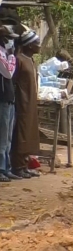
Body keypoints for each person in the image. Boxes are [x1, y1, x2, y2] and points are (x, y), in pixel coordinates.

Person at [11, 29, 41, 178]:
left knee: (28, 132)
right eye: (37, 43)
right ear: (29, 46)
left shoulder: (30, 60)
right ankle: (17, 166)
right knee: (20, 133)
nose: (39, 46)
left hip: (30, 102)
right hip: (22, 101)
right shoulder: (19, 60)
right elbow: (14, 81)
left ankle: (24, 163)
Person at [0, 26, 18, 182]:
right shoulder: (1, 54)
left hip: (8, 98)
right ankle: (1, 169)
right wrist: (12, 56)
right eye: (8, 38)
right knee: (2, 137)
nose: (11, 41)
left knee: (8, 137)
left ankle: (7, 168)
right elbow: (8, 72)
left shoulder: (5, 53)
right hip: (2, 99)